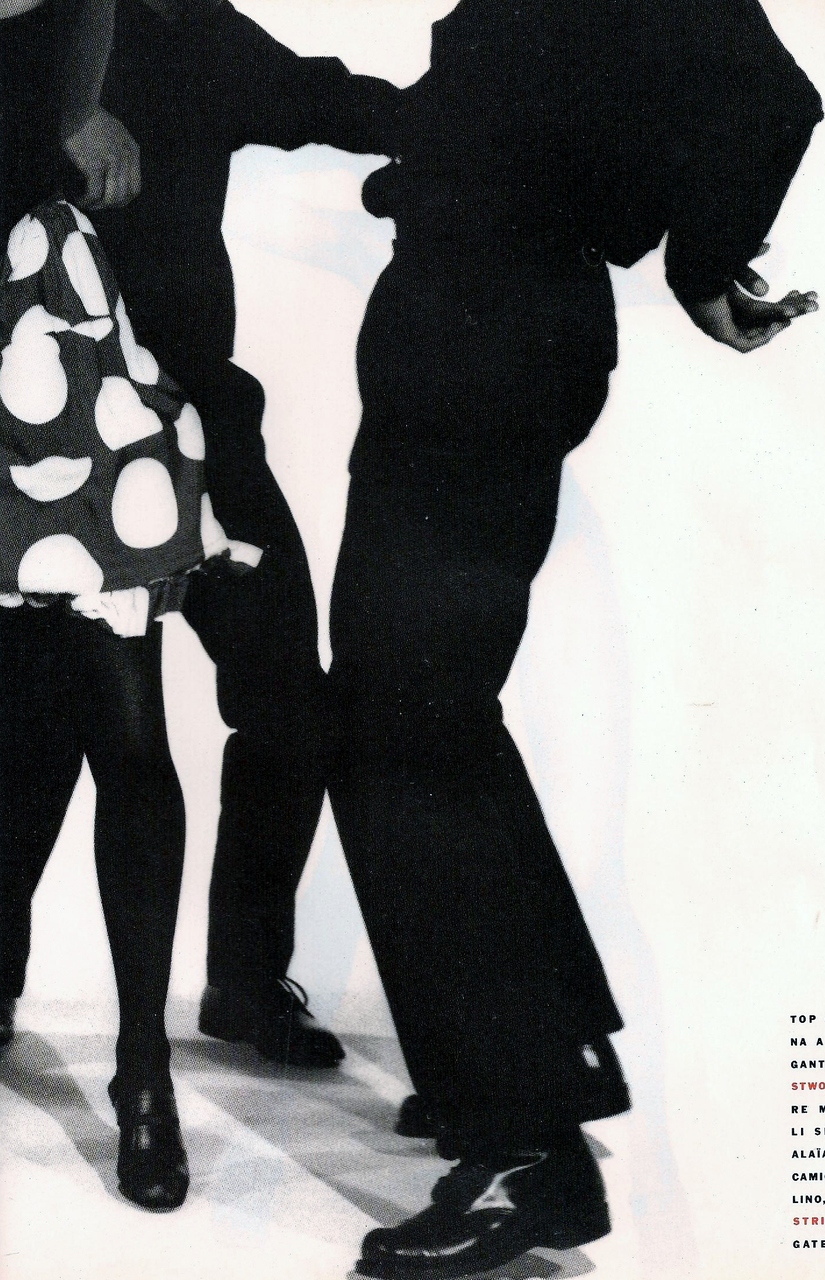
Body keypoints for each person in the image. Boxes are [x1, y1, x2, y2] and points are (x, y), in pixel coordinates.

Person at [325, 0, 824, 1275]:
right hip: (469, 320)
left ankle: (528, 1145)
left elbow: (774, 100)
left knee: (402, 721)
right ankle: (534, 1060)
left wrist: (700, 262)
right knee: (421, 710)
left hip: (486, 333)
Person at [0, 0, 405, 1070]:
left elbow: (331, 99)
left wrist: (504, 122)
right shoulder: (38, 39)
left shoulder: (192, 29)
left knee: (290, 701)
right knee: (42, 724)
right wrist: (66, 112)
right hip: (57, 456)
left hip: (202, 433)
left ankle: (245, 981)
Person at [0, 0, 219, 1212]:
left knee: (124, 723)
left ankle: (145, 1069)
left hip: (45, 337)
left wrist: (69, 102)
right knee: (22, 707)